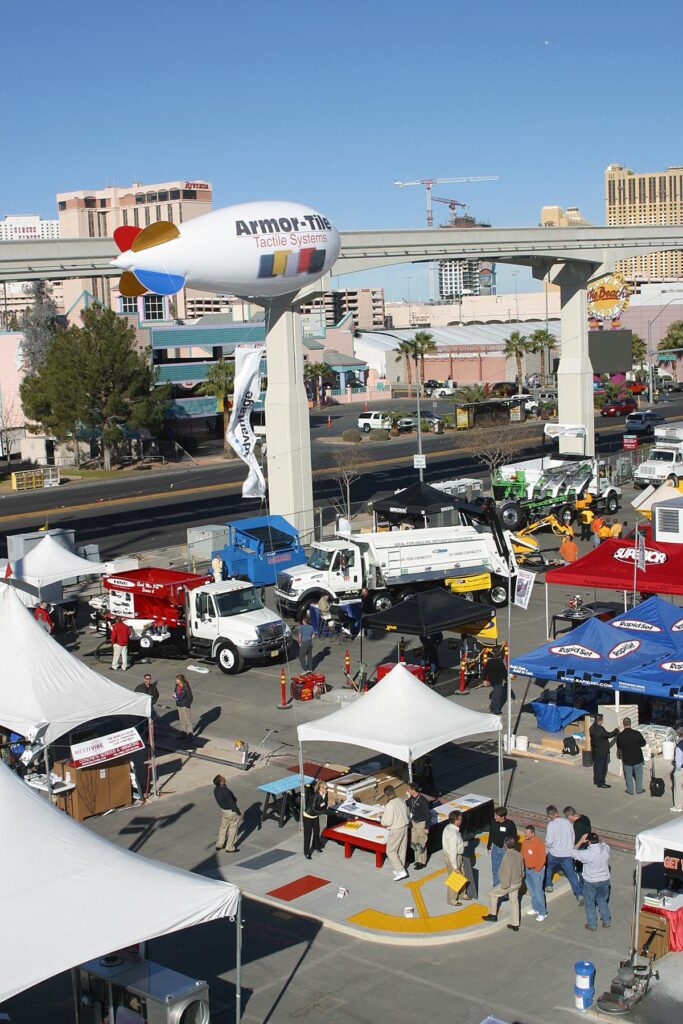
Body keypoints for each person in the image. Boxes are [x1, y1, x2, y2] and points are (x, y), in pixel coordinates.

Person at [483, 837, 525, 931]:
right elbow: (522, 868)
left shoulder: (507, 856)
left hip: (510, 884)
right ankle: (515, 924)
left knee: (492, 893)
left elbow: (505, 872)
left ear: (505, 845)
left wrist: (504, 886)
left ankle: (493, 915)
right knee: (514, 901)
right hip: (518, 882)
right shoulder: (518, 854)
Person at [544, 805, 583, 903]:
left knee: (549, 867)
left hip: (555, 853)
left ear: (549, 815)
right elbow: (572, 836)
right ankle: (579, 894)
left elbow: (549, 841)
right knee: (571, 875)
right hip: (567, 854)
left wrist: (547, 849)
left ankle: (548, 885)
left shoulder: (551, 825)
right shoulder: (568, 822)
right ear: (557, 812)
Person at [574, 832, 612, 930]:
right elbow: (605, 844)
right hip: (604, 880)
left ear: (588, 841)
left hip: (591, 881)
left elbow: (573, 852)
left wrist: (581, 841)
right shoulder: (605, 849)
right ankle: (606, 920)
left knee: (590, 903)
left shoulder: (586, 853)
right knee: (602, 900)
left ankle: (592, 924)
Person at [442, 810, 472, 905]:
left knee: (462, 876)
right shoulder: (453, 834)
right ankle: (452, 900)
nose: (461, 821)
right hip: (454, 858)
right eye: (460, 819)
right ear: (456, 820)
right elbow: (452, 851)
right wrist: (455, 867)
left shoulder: (448, 828)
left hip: (455, 856)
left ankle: (463, 894)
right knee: (454, 878)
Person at [381, 785, 409, 881]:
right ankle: (400, 868)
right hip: (404, 826)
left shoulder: (390, 805)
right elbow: (407, 813)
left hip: (396, 828)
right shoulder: (401, 800)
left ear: (386, 795)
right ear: (394, 791)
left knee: (390, 851)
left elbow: (387, 822)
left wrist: (382, 819)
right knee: (402, 849)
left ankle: (400, 870)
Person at [487, 806, 518, 887]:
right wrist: (489, 846)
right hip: (495, 849)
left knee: (505, 870)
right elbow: (491, 834)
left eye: (496, 816)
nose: (495, 817)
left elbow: (514, 837)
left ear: (502, 817)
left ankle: (505, 888)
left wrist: (509, 848)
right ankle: (496, 886)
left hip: (505, 850)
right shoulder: (493, 823)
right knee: (495, 869)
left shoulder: (510, 824)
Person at [521, 824, 547, 921]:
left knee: (538, 892)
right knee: (532, 891)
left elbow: (542, 858)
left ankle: (543, 912)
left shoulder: (539, 843)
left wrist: (537, 869)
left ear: (533, 833)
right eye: (525, 833)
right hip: (527, 870)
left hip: (536, 871)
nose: (526, 835)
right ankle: (535, 908)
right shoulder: (524, 842)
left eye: (528, 833)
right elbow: (522, 855)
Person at [616, 718, 646, 795]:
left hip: (627, 758)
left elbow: (619, 746)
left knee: (628, 775)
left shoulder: (620, 736)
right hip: (638, 757)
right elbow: (643, 743)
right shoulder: (637, 733)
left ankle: (630, 790)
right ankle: (639, 789)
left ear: (623, 724)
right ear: (630, 723)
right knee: (639, 774)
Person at [406, 783, 431, 870]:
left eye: (409, 789)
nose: (407, 790)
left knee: (421, 843)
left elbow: (428, 815)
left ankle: (422, 862)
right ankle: (417, 859)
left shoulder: (422, 801)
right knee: (414, 842)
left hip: (421, 824)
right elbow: (406, 804)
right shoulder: (411, 799)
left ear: (413, 790)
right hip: (413, 823)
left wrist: (427, 827)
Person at [213, 775, 242, 853]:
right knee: (233, 828)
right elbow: (232, 804)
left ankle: (219, 844)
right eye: (222, 778)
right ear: (221, 782)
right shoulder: (225, 791)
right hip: (231, 812)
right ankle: (229, 847)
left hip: (223, 810)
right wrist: (239, 814)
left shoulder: (216, 790)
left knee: (223, 827)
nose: (224, 777)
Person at [590, 713, 618, 788]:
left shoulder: (592, 728)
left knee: (596, 766)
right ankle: (601, 782)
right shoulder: (600, 729)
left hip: (595, 750)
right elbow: (608, 735)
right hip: (601, 751)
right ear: (600, 720)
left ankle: (596, 780)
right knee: (601, 768)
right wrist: (616, 731)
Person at [302, 780, 328, 859]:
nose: (327, 790)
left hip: (315, 816)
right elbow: (313, 808)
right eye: (325, 788)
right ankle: (306, 852)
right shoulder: (315, 796)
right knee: (308, 835)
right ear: (320, 788)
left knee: (316, 832)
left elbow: (324, 804)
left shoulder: (325, 795)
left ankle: (316, 846)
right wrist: (323, 812)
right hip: (308, 816)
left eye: (327, 788)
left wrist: (325, 810)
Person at [485, 650, 508, 715]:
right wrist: (507, 680)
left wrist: (484, 679)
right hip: (498, 681)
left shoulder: (489, 662)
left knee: (495, 693)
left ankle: (492, 706)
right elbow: (504, 673)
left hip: (492, 680)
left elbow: (485, 670)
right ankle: (496, 710)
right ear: (500, 656)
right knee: (497, 696)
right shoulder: (500, 664)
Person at [173, 674, 194, 742]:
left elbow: (190, 697)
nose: (176, 681)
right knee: (182, 720)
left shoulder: (186, 687)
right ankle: (183, 734)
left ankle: (190, 735)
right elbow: (175, 692)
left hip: (185, 706)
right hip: (179, 705)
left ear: (181, 680)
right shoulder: (177, 686)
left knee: (188, 720)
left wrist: (187, 705)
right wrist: (174, 696)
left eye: (177, 680)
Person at [671, 727, 683, 813]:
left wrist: (676, 769)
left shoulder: (679, 745)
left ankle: (678, 806)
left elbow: (678, 760)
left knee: (678, 788)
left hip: (681, 769)